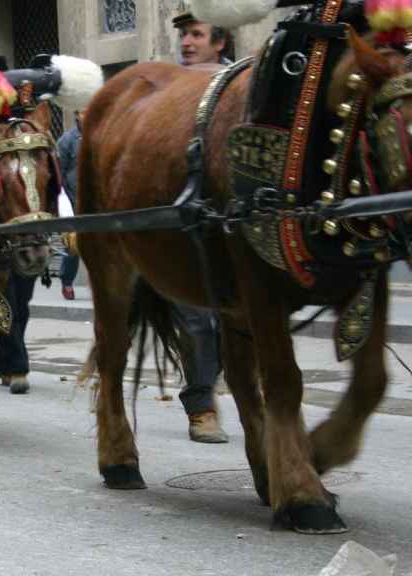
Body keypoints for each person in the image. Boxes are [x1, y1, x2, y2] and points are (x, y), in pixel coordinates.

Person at [171, 11, 232, 444]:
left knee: (236, 320)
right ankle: (201, 406)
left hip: (231, 226)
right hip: (177, 228)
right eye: (184, 35)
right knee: (197, 322)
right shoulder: (171, 89)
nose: (187, 42)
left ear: (220, 43)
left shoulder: (239, 86)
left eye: (197, 35)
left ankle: (215, 379)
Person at [0, 273, 36, 394]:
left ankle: (4, 363)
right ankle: (18, 369)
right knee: (2, 307)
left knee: (21, 307)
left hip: (24, 256)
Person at [56, 111, 83, 300]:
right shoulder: (67, 140)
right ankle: (67, 282)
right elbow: (59, 173)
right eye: (83, 112)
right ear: (77, 116)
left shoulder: (98, 134)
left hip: (94, 201)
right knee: (72, 246)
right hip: (73, 201)